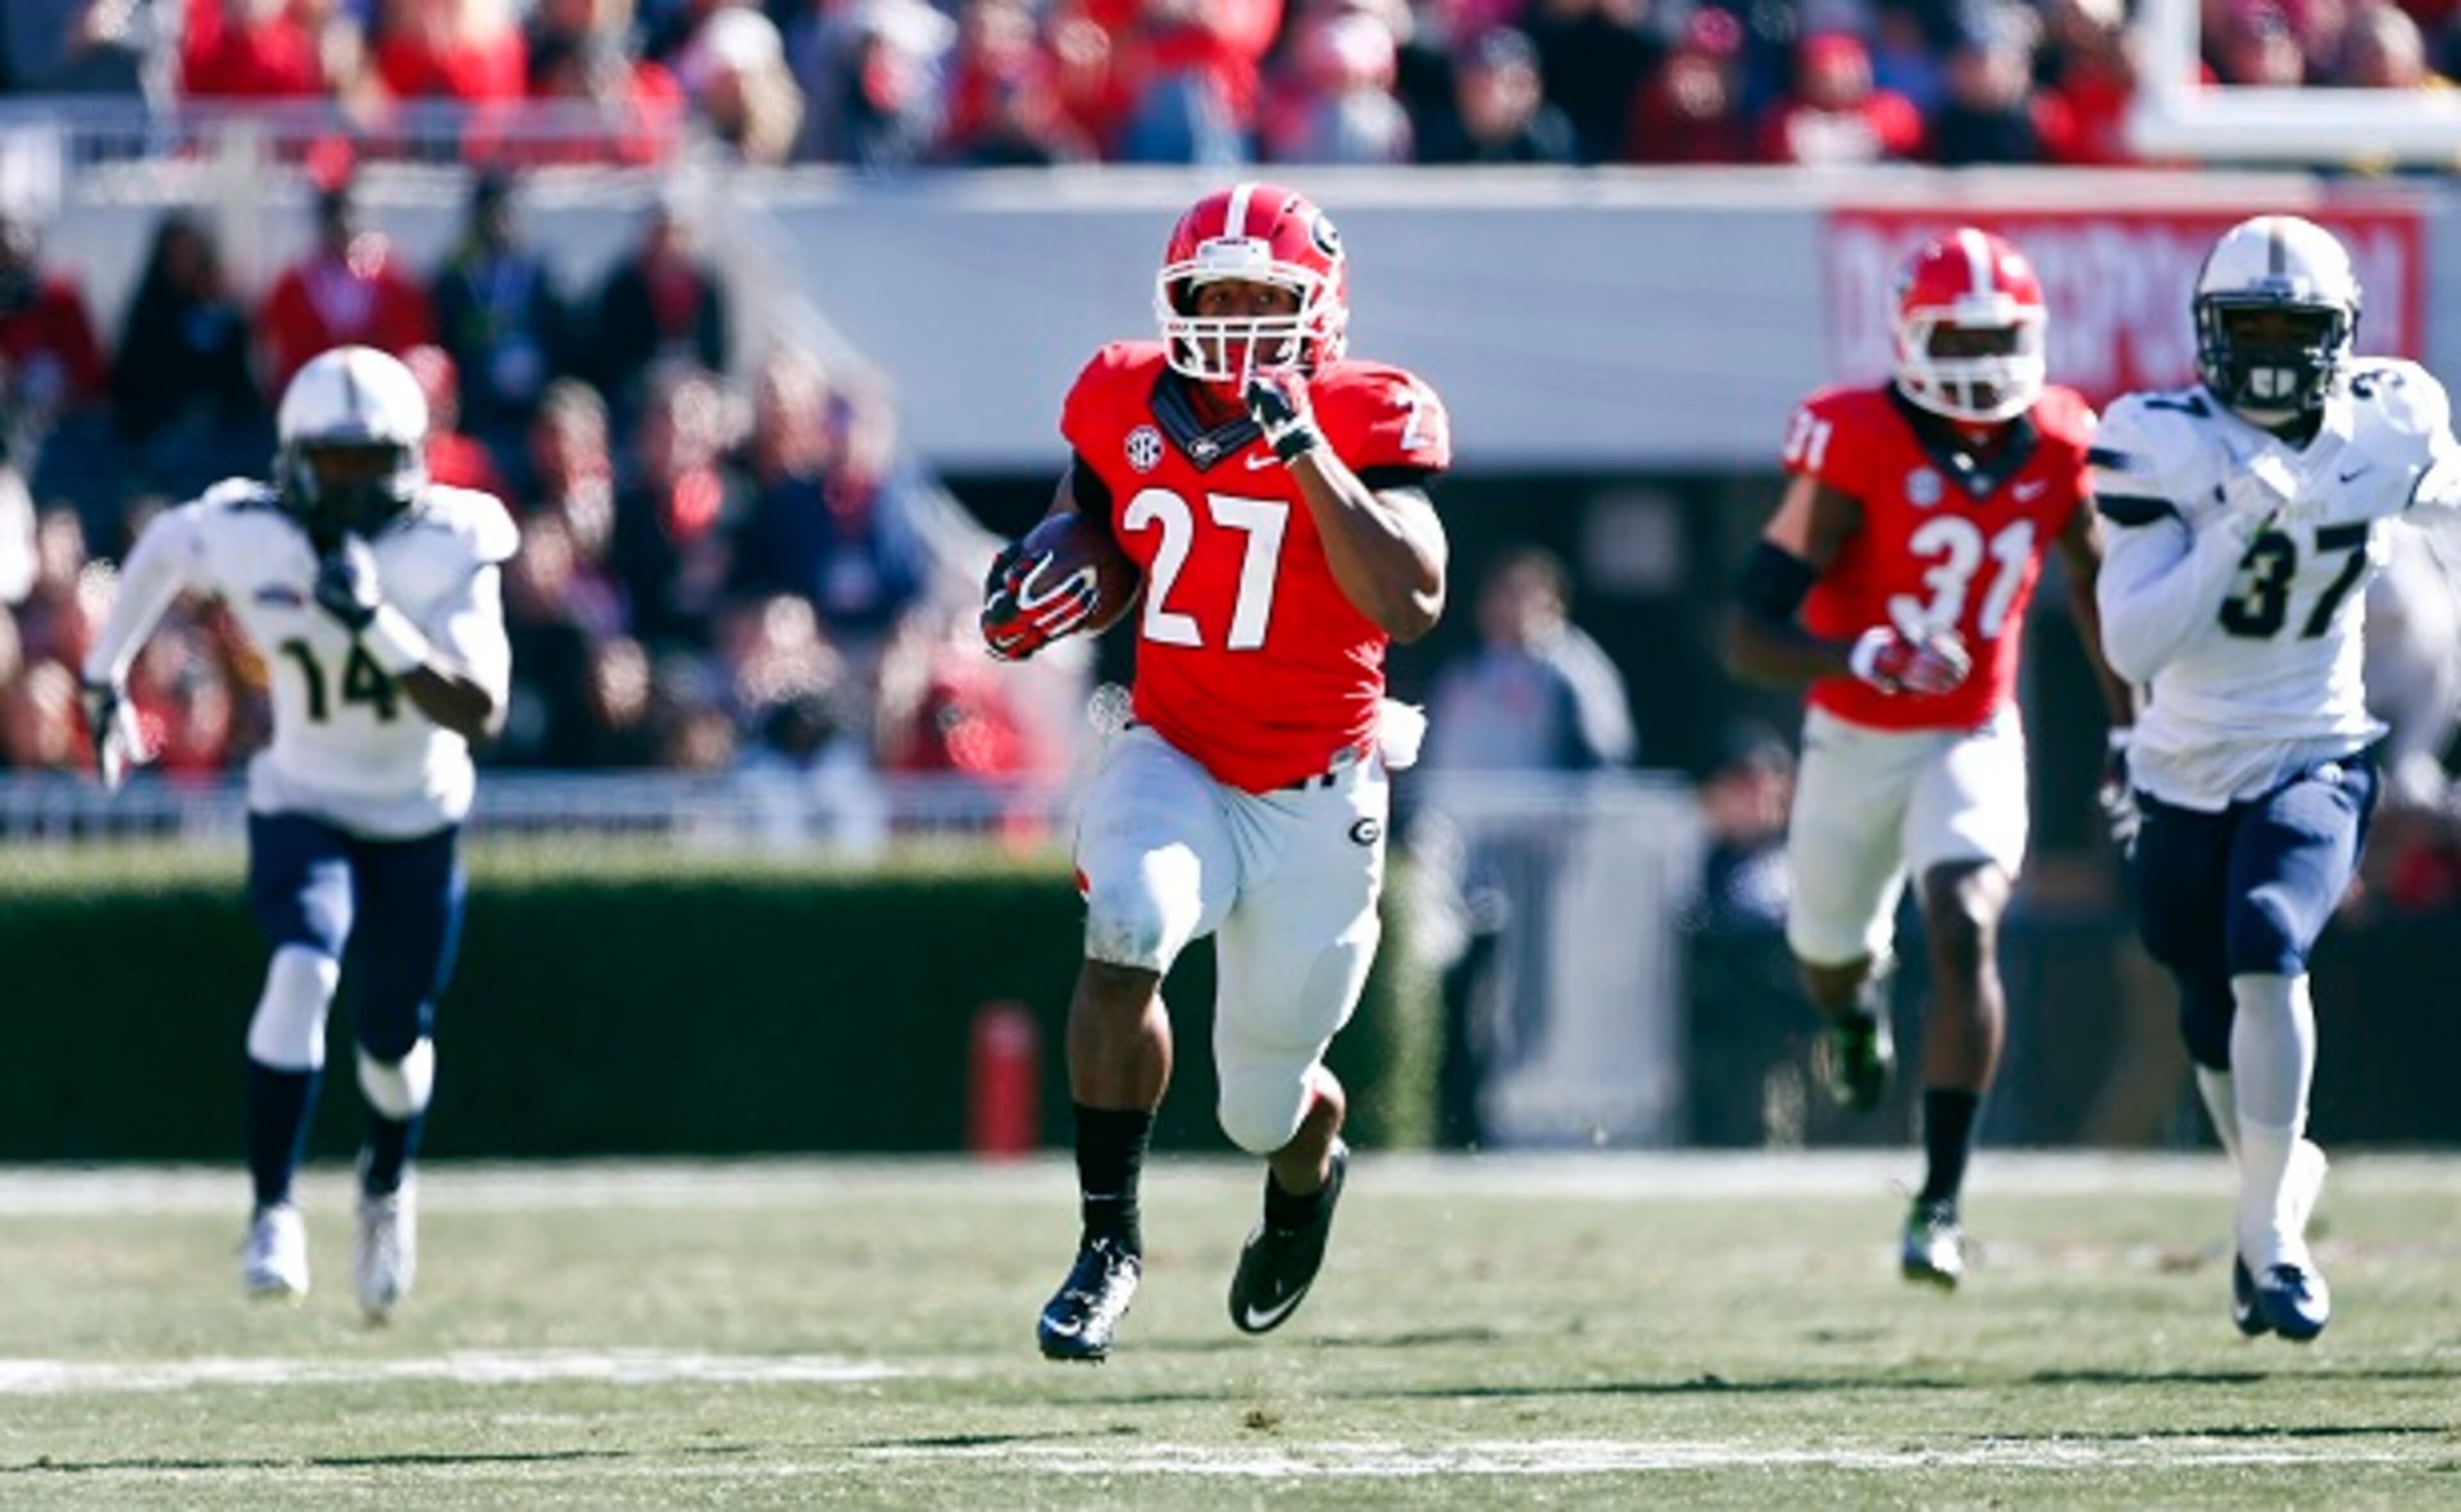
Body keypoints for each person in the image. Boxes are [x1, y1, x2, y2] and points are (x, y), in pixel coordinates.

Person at [982, 182, 1451, 1361]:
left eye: (1263, 297)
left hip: (1317, 793)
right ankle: (1108, 1248)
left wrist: (1304, 453)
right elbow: (1100, 538)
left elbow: (1413, 596)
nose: (1237, 320)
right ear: (1176, 301)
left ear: (1320, 309)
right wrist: (1043, 586)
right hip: (1176, 752)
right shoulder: (1121, 396)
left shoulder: (1367, 413)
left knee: (1263, 1107)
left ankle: (1308, 1172)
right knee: (1127, 921)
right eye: (1216, 295)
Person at [1723, 227, 2132, 1288]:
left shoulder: (2055, 441)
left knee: (1963, 924)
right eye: (1955, 335)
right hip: (1854, 736)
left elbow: (2097, 591)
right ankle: (1855, 1013)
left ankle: (1939, 1201)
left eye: (1998, 335)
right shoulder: (1854, 436)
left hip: (1971, 731)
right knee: (1829, 961)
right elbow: (1748, 631)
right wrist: (1861, 648)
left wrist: (2133, 728)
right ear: (1909, 336)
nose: (1980, 359)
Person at [78, 345, 517, 1322]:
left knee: (393, 1045)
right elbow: (162, 549)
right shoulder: (251, 528)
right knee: (303, 966)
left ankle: (386, 1183)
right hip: (304, 795)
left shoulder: (451, 539)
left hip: (417, 812)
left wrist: (379, 628)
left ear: (414, 459)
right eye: (336, 464)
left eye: (375, 463)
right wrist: (104, 671)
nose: (356, 488)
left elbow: (482, 710)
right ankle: (272, 1208)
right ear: (295, 462)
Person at [2091, 215, 2461, 1342]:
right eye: (2244, 324)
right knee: (2205, 1000)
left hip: (2317, 743)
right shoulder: (2159, 438)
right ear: (2205, 329)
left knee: (2267, 939)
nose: (2263, 349)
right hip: (2181, 766)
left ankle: (2271, 1242)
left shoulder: (2389, 422)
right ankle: (2275, 1188)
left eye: (2288, 327)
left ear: (2339, 336)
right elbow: (2133, 648)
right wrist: (2227, 532)